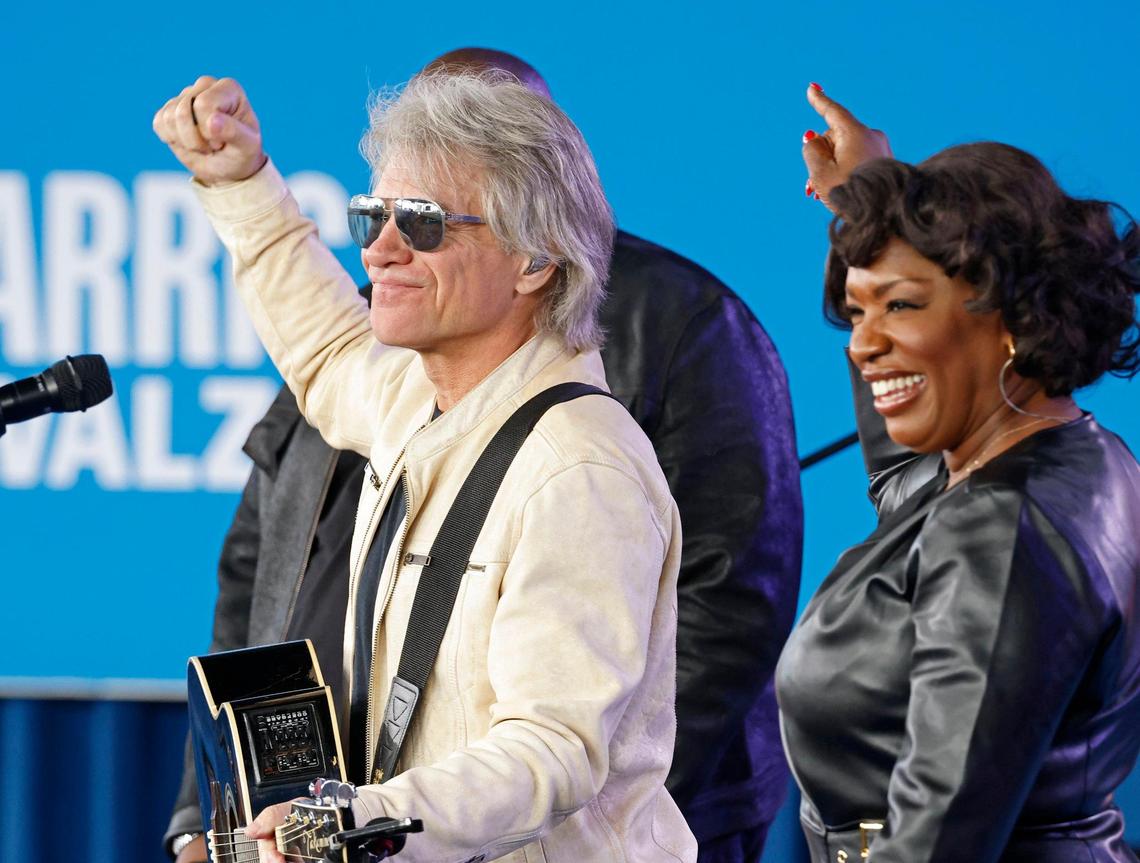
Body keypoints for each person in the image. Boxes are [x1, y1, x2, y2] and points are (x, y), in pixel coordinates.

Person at [163, 51, 802, 863]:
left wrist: (347, 822)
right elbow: (323, 350)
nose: (381, 250)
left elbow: (551, 749)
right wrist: (240, 182)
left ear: (536, 260)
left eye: (421, 223)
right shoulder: (416, 403)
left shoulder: (579, 469)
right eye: (372, 217)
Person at [776, 85, 1140, 861]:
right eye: (857, 310)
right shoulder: (1050, 456)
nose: (860, 344)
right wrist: (870, 202)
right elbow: (905, 480)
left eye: (900, 306)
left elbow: (937, 844)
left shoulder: (1001, 526)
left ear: (1006, 310)